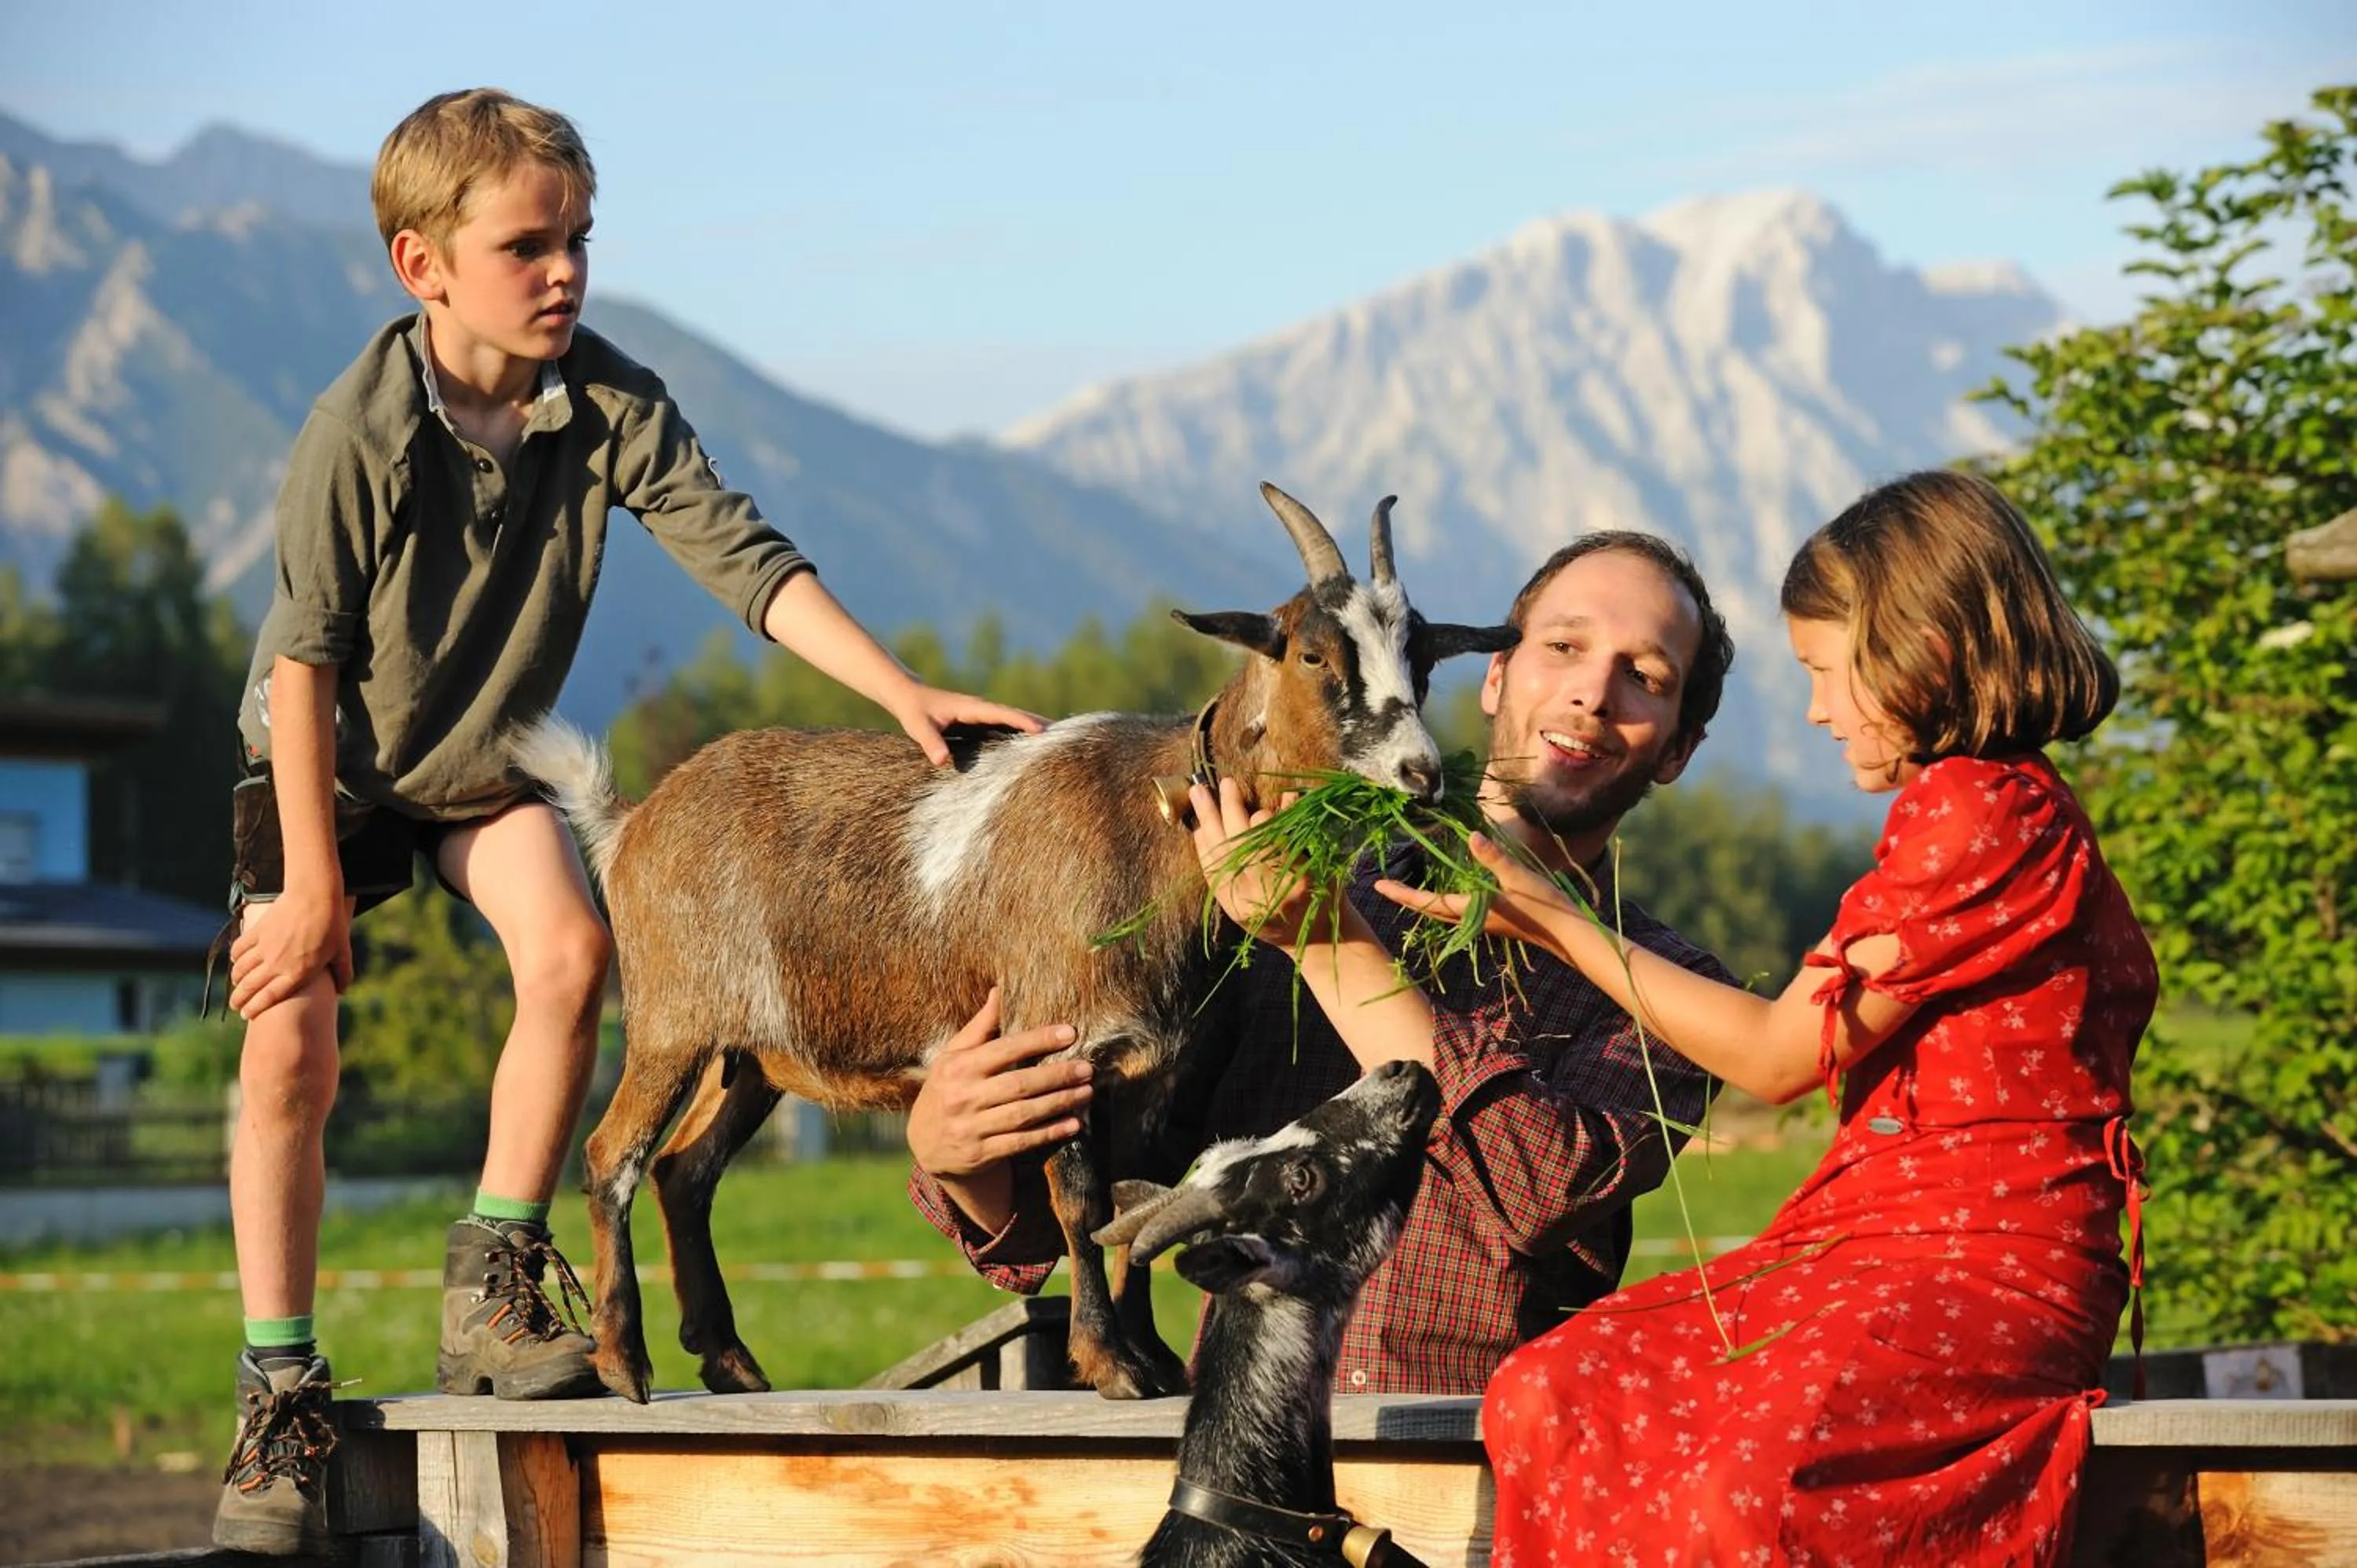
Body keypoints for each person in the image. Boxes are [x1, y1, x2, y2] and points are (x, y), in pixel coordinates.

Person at [209, 88, 1039, 1557]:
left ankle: (501, 1273)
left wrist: (898, 687)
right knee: (291, 1033)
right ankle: (278, 1388)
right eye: (528, 245)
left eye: (580, 238)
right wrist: (312, 890)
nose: (565, 271)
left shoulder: (605, 399)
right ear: (423, 266)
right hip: (320, 765)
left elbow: (742, 554)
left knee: (575, 954)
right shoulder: (358, 431)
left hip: (476, 764)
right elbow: (301, 661)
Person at [1382, 469, 2157, 1566]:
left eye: (1827, 672)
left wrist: (1557, 921)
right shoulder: (1973, 809)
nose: (1816, 709)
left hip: (1981, 1256)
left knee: (1764, 1481)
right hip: (1878, 1246)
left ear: (1922, 652)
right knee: (1554, 1387)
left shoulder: (1985, 808)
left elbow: (1783, 1053)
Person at [908, 529, 1739, 1394]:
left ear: (1678, 748)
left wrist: (1331, 942)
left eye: (1645, 677)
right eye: (1563, 647)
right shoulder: (1267, 893)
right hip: (1226, 1455)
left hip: (1471, 1468)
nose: (1593, 693)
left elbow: (1537, 1192)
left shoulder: (1673, 995)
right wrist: (959, 1157)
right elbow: (1112, 1180)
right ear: (1492, 675)